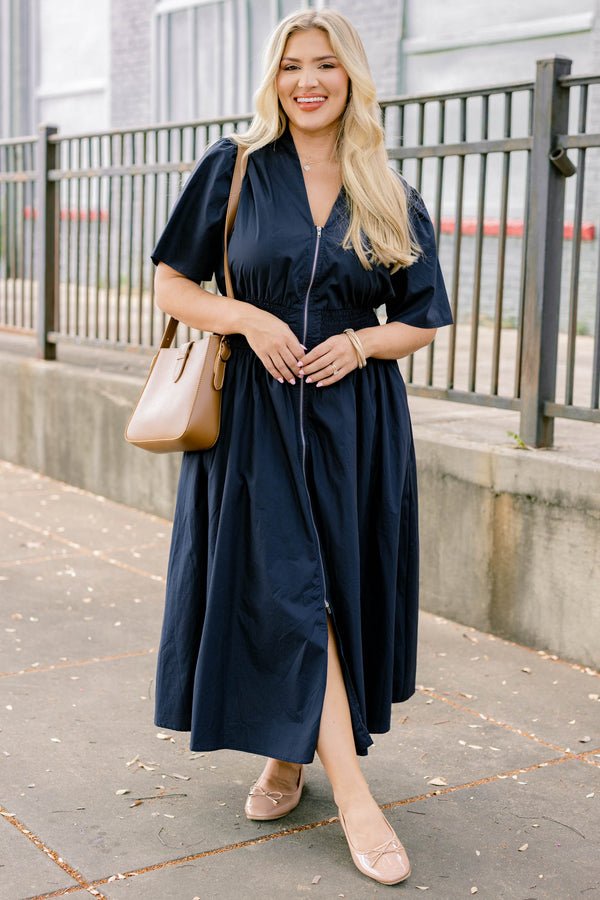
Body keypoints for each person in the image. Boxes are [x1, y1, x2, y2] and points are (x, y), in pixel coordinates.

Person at [151, 8, 452, 887]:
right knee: (290, 589)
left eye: (324, 65)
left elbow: (424, 319)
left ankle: (288, 759)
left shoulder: (389, 191)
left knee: (330, 589)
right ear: (273, 79)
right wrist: (245, 314)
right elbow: (173, 280)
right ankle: (355, 798)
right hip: (252, 415)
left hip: (354, 423)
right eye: (290, 66)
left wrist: (361, 344)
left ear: (351, 76)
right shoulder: (234, 168)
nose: (307, 81)